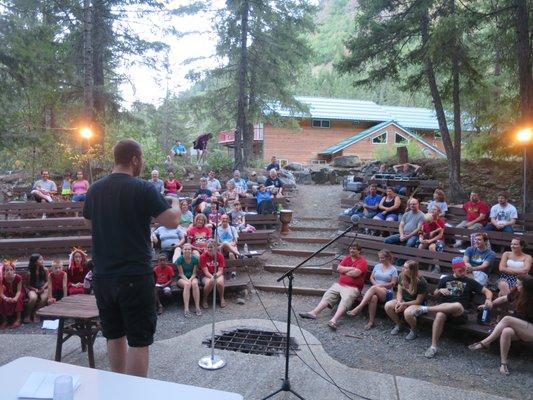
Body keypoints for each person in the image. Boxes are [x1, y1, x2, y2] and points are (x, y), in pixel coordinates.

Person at [83, 138, 181, 377]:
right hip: (134, 277)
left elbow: (88, 222)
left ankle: (118, 391)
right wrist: (176, 202)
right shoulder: (143, 188)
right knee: (138, 340)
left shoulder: (95, 189)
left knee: (114, 335)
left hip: (104, 276)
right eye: (141, 159)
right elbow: (172, 220)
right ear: (135, 159)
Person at [412, 257, 493, 358]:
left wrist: (488, 299)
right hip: (443, 310)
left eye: (464, 269)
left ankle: (425, 309)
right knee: (440, 314)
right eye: (460, 270)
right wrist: (440, 290)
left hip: (459, 314)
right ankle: (433, 347)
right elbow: (435, 293)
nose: (463, 272)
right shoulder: (445, 279)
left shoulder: (469, 281)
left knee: (457, 305)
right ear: (453, 269)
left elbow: (487, 291)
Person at [468, 275, 533, 375]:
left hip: (530, 332)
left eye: (519, 284)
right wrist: (490, 304)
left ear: (527, 287)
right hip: (520, 330)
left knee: (507, 319)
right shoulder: (517, 292)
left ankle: (485, 342)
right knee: (506, 332)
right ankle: (503, 364)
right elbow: (503, 299)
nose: (516, 285)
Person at [299, 244, 368, 330]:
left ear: (359, 251)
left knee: (346, 299)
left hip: (353, 287)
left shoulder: (362, 261)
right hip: (339, 284)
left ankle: (333, 320)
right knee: (328, 294)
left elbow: (356, 273)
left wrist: (345, 270)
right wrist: (351, 268)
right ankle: (314, 313)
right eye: (350, 249)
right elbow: (339, 269)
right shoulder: (347, 258)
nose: (351, 250)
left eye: (354, 249)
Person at [347, 249, 398, 330]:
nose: (380, 259)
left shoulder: (393, 269)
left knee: (373, 288)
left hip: (386, 292)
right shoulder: (377, 266)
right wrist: (376, 286)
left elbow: (393, 283)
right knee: (373, 297)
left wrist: (380, 286)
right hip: (375, 290)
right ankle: (371, 322)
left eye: (382, 258)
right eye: (379, 258)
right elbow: (371, 278)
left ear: (388, 257)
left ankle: (359, 308)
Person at [384, 261, 428, 340]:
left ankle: (413, 330)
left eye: (405, 268)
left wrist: (404, 304)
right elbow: (399, 292)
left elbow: (418, 301)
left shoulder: (421, 282)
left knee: (407, 313)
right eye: (403, 267)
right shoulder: (401, 275)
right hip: (404, 300)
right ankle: (399, 324)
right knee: (388, 305)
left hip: (418, 304)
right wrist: (399, 302)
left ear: (412, 270)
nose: (403, 269)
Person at [175, 243, 202, 317]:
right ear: (182, 250)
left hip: (192, 277)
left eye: (189, 249)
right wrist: (187, 280)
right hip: (182, 278)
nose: (187, 250)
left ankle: (197, 307)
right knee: (187, 285)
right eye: (185, 249)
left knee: (194, 284)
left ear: (191, 250)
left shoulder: (194, 258)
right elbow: (181, 274)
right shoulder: (179, 259)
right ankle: (186, 309)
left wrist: (190, 280)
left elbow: (194, 273)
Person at [200, 240, 226, 308]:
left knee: (220, 282)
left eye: (211, 247)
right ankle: (205, 299)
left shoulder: (220, 256)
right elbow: (205, 272)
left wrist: (216, 276)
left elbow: (220, 270)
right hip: (206, 275)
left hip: (217, 274)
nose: (209, 249)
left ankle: (221, 298)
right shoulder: (203, 256)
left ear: (215, 248)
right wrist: (212, 277)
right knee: (211, 282)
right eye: (208, 247)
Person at [0, 261, 24, 329]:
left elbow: (19, 290)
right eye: (7, 270)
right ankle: (5, 321)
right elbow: (1, 293)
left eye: (11, 270)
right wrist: (6, 298)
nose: (9, 271)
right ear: (4, 272)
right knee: (2, 301)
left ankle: (18, 319)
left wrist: (15, 298)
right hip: (6, 293)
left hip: (18, 292)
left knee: (19, 299)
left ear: (14, 271)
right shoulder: (1, 279)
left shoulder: (18, 277)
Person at [25, 254, 48, 323]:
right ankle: (28, 314)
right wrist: (35, 289)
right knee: (33, 298)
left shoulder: (45, 270)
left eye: (42, 259)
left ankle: (36, 313)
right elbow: (27, 285)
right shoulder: (29, 273)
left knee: (44, 298)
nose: (42, 261)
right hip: (32, 288)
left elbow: (48, 281)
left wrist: (43, 287)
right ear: (35, 262)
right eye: (40, 260)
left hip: (43, 287)